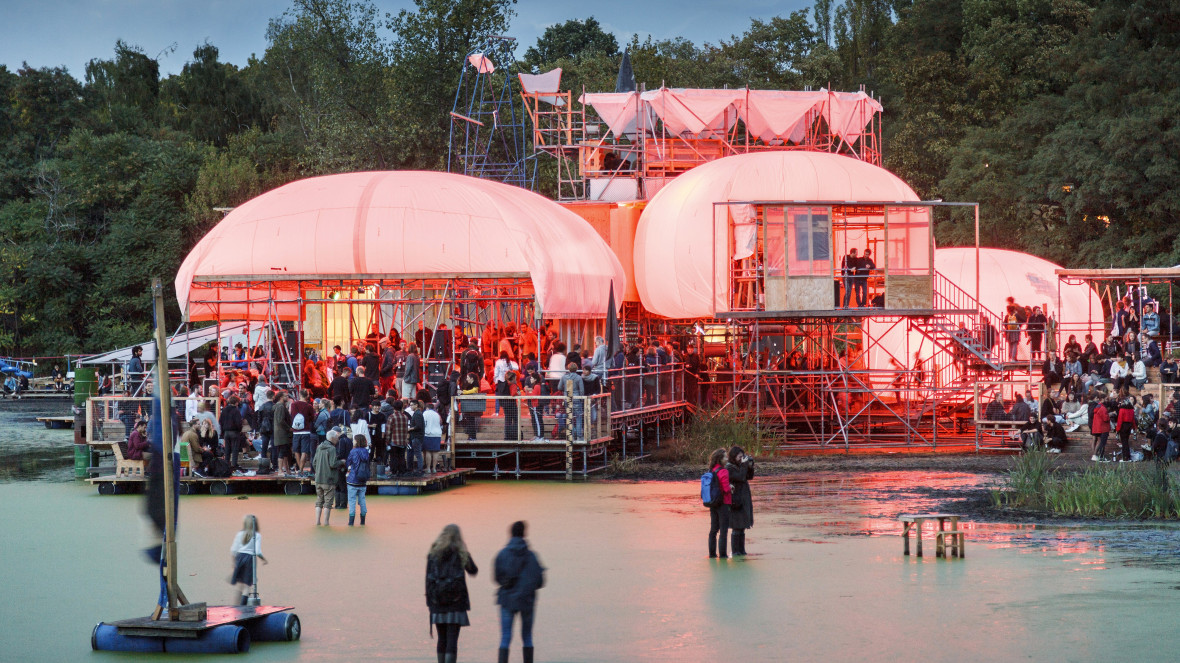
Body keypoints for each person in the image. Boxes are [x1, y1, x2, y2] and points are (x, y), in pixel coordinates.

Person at [494, 521, 546, 663]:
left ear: (510, 533)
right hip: (527, 601)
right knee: (527, 637)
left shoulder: (502, 554)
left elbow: (497, 578)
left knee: (505, 638)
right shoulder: (532, 556)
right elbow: (540, 581)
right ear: (524, 533)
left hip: (507, 600)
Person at [426, 524, 479, 663]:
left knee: (441, 639)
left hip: (437, 602)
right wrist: (466, 552)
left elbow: (428, 580)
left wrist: (430, 605)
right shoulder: (461, 554)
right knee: (452, 640)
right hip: (456, 603)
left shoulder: (433, 554)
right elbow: (473, 571)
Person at [229, 514, 268, 606]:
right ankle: (243, 607)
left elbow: (233, 550)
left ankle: (236, 606)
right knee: (247, 586)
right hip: (249, 559)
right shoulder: (257, 535)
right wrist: (264, 559)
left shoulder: (239, 534)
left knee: (240, 584)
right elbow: (258, 551)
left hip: (239, 557)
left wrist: (234, 562)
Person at [726, 446, 755, 556]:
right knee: (736, 527)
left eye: (743, 457)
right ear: (734, 457)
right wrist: (744, 465)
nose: (742, 459)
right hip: (736, 501)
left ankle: (741, 550)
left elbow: (748, 477)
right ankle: (735, 551)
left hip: (743, 499)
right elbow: (741, 477)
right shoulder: (729, 468)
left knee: (742, 527)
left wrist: (750, 467)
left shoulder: (739, 466)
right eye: (740, 457)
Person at [314, 429, 345, 526]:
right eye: (336, 438)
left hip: (318, 479)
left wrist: (318, 471)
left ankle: (317, 521)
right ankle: (326, 522)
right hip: (329, 480)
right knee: (328, 502)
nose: (338, 440)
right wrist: (342, 462)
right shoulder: (332, 449)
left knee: (319, 501)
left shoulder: (319, 447)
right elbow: (333, 463)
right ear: (332, 438)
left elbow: (314, 462)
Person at [706, 448, 732, 559]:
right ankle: (723, 555)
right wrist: (731, 487)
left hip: (713, 503)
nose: (727, 459)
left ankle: (712, 554)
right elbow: (726, 489)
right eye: (725, 457)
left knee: (713, 530)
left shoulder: (711, 471)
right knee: (723, 530)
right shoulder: (723, 471)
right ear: (720, 459)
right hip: (723, 503)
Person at [346, 435, 370, 526]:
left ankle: (351, 522)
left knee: (352, 501)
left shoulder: (353, 451)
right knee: (362, 500)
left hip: (353, 479)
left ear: (356, 441)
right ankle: (362, 520)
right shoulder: (366, 452)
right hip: (363, 480)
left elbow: (348, 463)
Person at [220, 395, 245, 471]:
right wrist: (239, 430)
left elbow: (220, 421)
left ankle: (226, 464)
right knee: (235, 449)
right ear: (236, 403)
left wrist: (222, 432)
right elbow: (238, 422)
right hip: (234, 432)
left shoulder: (224, 410)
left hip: (226, 432)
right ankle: (234, 465)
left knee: (227, 449)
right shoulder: (236, 411)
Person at [272, 391, 293, 475]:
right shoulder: (280, 407)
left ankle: (287, 469)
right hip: (282, 433)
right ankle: (280, 470)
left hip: (281, 432)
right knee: (282, 451)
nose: (287, 397)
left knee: (285, 452)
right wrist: (289, 428)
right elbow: (280, 420)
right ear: (281, 397)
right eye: (285, 396)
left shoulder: (279, 406)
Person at [423, 402, 443, 474]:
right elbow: (440, 423)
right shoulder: (437, 414)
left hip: (428, 434)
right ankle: (434, 468)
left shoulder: (425, 413)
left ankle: (428, 468)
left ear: (427, 407)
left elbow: (423, 423)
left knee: (428, 451)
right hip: (437, 434)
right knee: (436, 451)